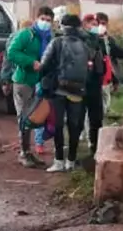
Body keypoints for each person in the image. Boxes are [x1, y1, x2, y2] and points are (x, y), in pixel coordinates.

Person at [39, 13, 102, 172]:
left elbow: (43, 65)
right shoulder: (86, 45)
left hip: (59, 90)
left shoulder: (57, 42)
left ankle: (59, 161)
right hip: (78, 91)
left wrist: (45, 81)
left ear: (63, 26)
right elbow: (94, 68)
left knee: (58, 125)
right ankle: (71, 161)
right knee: (74, 126)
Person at [82, 12, 123, 154]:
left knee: (101, 111)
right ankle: (89, 139)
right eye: (96, 24)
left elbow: (114, 57)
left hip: (104, 81)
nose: (99, 26)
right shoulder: (85, 41)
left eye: (102, 24)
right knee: (89, 113)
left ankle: (95, 139)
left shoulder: (108, 41)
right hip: (89, 83)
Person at [6, 7, 54, 167]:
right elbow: (12, 52)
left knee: (32, 118)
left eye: (48, 20)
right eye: (43, 19)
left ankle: (28, 152)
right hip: (23, 80)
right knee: (24, 118)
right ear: (36, 18)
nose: (45, 22)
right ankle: (24, 153)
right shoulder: (26, 34)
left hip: (36, 82)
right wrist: (30, 62)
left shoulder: (48, 37)